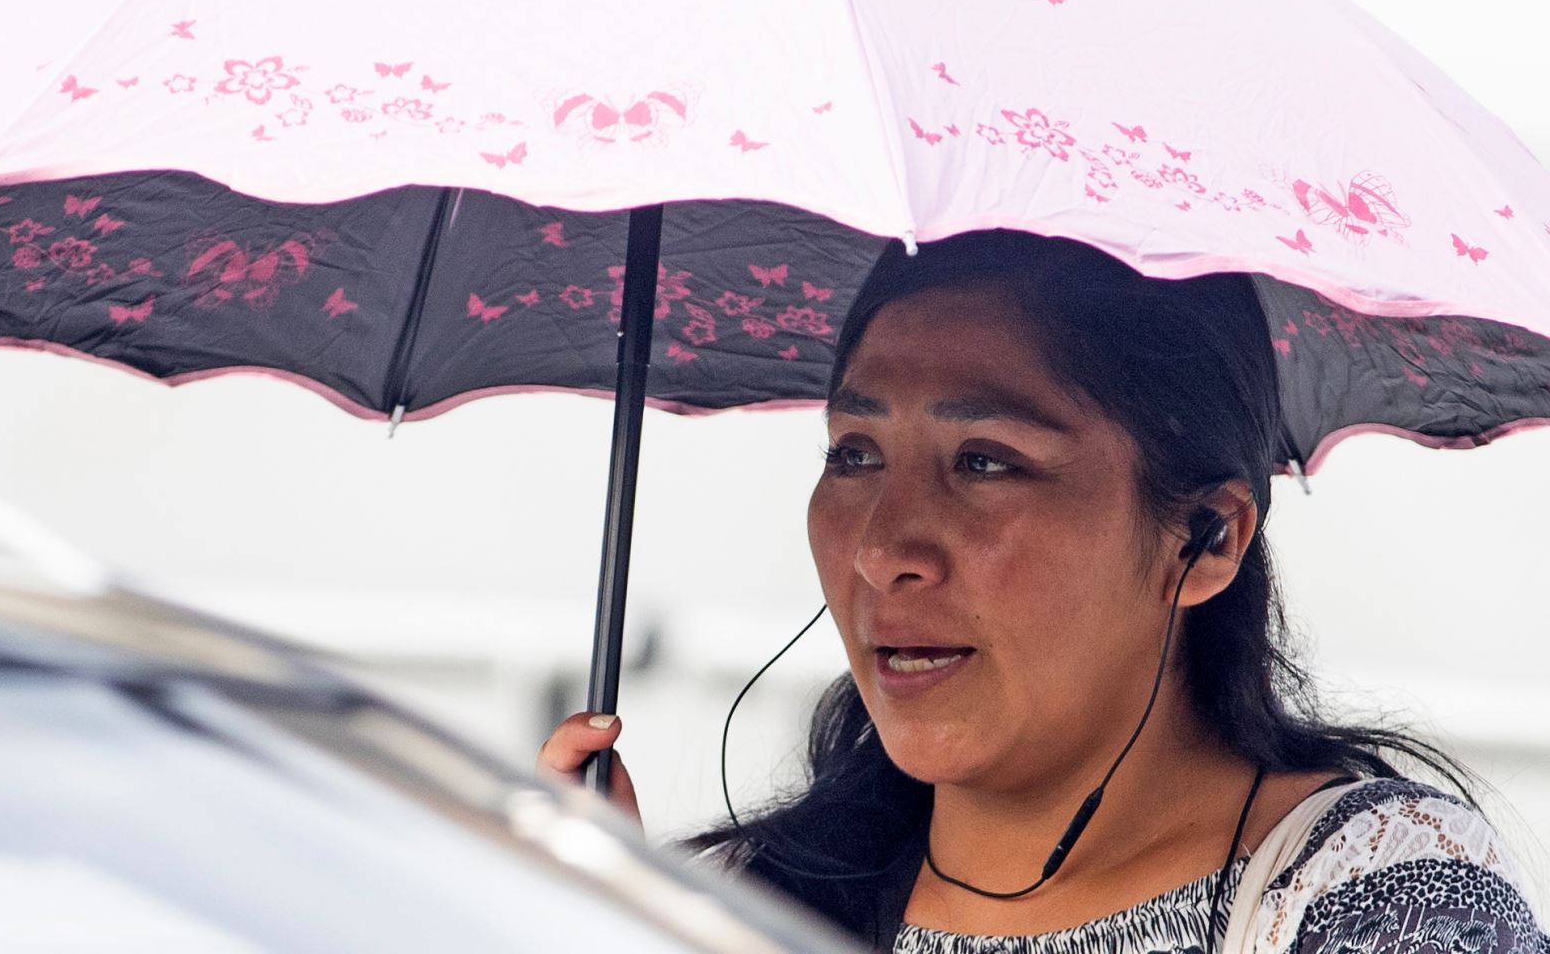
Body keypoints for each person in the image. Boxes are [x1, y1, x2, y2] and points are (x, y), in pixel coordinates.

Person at [539, 229, 1548, 953]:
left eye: (985, 462)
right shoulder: (734, 907)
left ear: (1206, 541)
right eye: (854, 452)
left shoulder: (1379, 898)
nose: (885, 546)